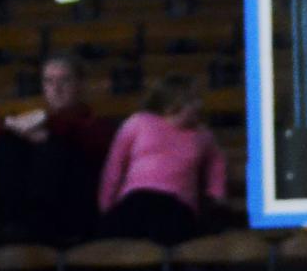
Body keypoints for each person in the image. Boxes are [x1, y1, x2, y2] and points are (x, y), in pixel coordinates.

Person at [0, 53, 113, 246]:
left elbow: (84, 139)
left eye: (64, 80)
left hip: (74, 209)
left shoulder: (97, 125)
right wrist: (11, 124)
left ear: (80, 85)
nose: (56, 89)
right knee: (6, 145)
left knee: (53, 148)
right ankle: (13, 223)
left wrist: (45, 130)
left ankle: (29, 227)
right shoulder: (37, 121)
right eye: (49, 81)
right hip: (31, 212)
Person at [98, 73, 230, 245]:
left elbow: (216, 163)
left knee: (167, 229)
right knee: (113, 232)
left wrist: (216, 196)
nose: (199, 105)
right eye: (192, 101)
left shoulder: (202, 135)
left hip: (177, 204)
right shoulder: (139, 122)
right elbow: (114, 165)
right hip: (138, 197)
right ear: (173, 105)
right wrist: (106, 205)